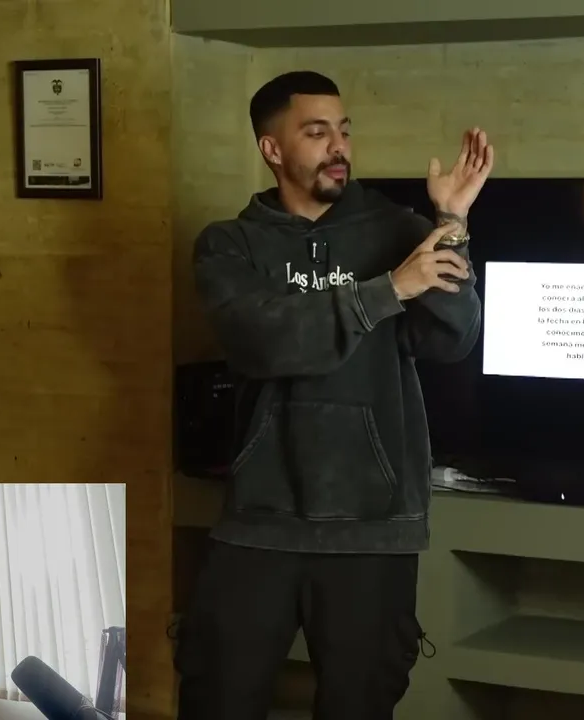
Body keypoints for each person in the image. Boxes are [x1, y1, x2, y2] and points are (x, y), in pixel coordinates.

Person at [176, 70, 493, 719]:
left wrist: (452, 222)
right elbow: (263, 340)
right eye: (316, 133)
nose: (338, 147)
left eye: (343, 131)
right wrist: (386, 291)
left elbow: (454, 339)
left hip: (373, 529)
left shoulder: (398, 231)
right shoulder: (231, 245)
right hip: (260, 522)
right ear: (272, 149)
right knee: (214, 697)